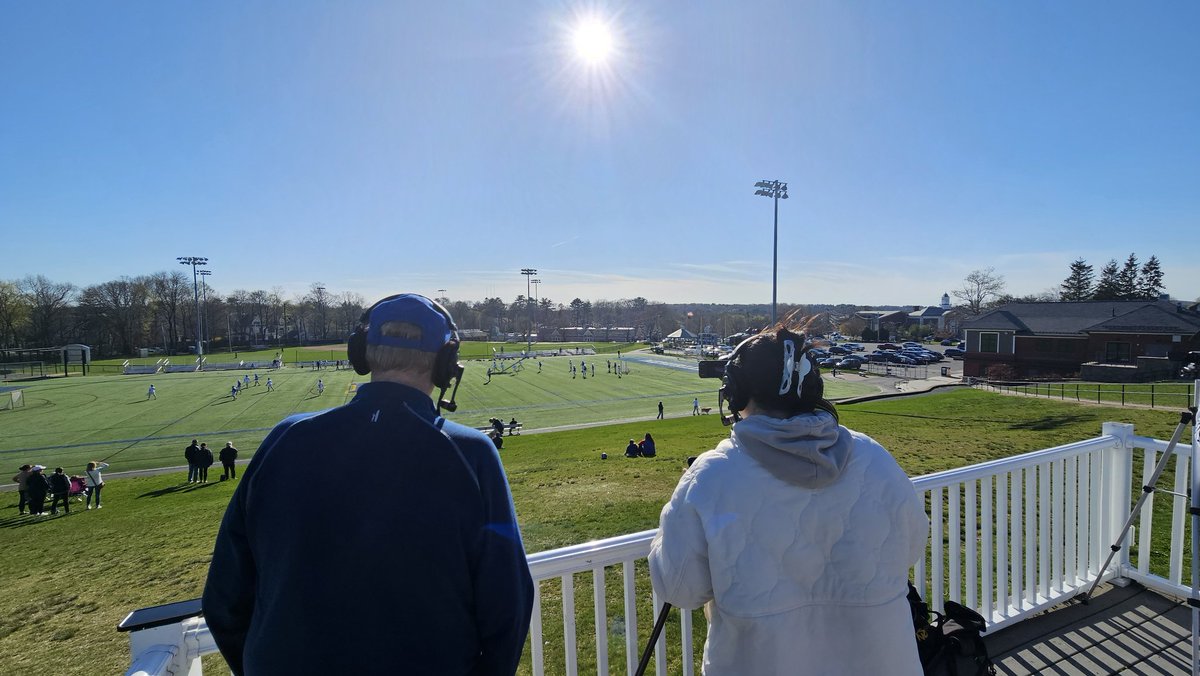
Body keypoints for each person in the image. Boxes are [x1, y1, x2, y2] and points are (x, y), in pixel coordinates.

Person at [204, 293, 533, 674]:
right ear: (446, 364)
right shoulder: (470, 454)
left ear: (361, 352)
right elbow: (507, 605)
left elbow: (224, 598)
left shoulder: (286, 439)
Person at [648, 326, 928, 675]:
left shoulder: (711, 475)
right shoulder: (874, 456)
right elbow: (912, 546)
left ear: (735, 393)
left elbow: (680, 589)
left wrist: (671, 519)